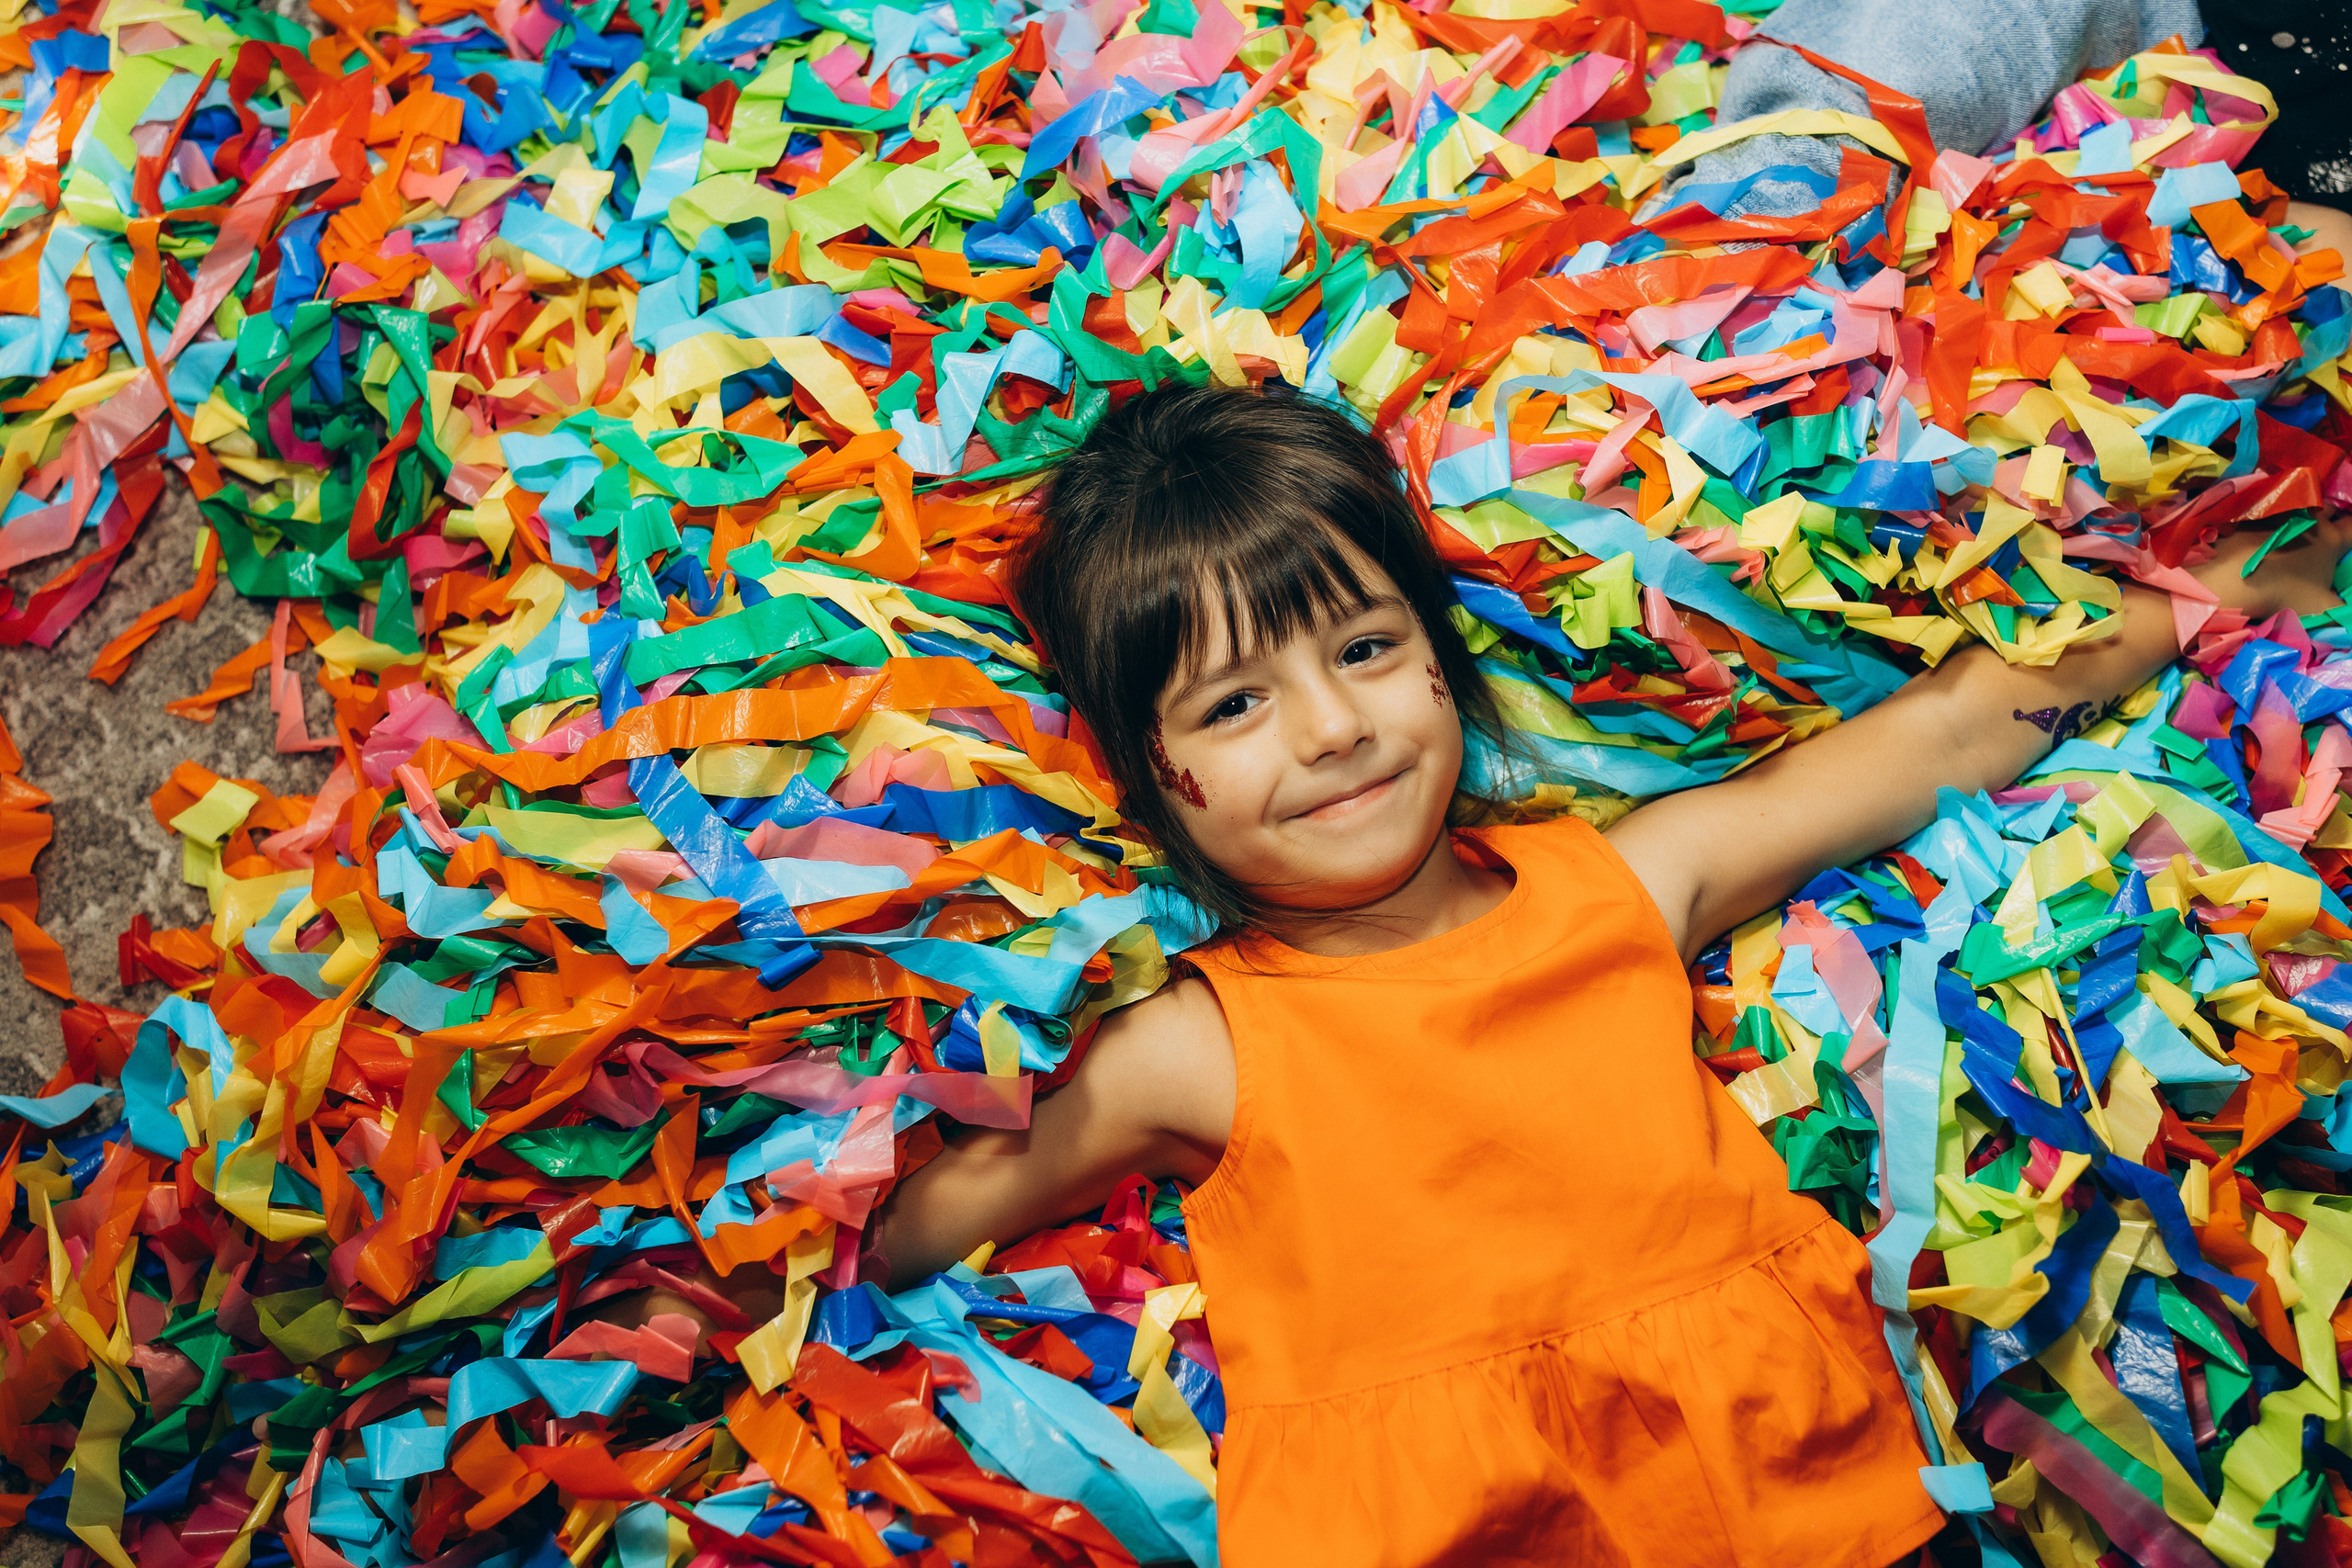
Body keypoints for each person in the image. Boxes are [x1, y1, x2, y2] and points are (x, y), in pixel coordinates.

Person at [865, 381, 2349, 1565]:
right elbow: (870, 1242)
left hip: (1822, 1514)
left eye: (1365, 648)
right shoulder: (1194, 1050)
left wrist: (2227, 590)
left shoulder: (1623, 883)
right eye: (1233, 703)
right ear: (1149, 779)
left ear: (1442, 653)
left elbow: (1946, 733)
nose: (1331, 728)